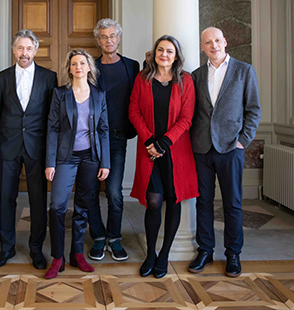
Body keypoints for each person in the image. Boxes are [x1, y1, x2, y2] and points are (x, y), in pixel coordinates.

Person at [188, 27, 261, 277]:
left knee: (233, 203)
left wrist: (243, 141)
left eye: (217, 40)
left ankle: (233, 254)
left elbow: (253, 110)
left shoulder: (244, 71)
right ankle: (206, 250)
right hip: (201, 148)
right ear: (202, 47)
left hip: (231, 148)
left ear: (225, 41)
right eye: (208, 42)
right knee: (203, 202)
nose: (214, 45)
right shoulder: (196, 76)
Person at [129, 35, 198, 278]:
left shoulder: (186, 80)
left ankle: (165, 254)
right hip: (149, 152)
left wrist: (164, 143)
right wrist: (150, 141)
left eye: (169, 51)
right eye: (160, 50)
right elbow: (134, 110)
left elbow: (187, 118)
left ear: (176, 55)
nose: (164, 54)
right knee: (154, 202)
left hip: (175, 151)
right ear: (154, 53)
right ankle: (150, 253)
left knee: (174, 199)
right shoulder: (143, 78)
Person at [0, 29, 58, 269]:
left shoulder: (49, 78)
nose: (24, 53)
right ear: (13, 50)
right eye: (20, 48)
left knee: (38, 200)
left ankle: (36, 249)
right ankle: (6, 249)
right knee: (6, 199)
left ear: (35, 50)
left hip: (37, 148)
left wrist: (52, 153)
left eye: (29, 48)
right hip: (7, 146)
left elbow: (53, 118)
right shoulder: (1, 78)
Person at [44, 49, 110, 279]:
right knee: (57, 207)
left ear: (89, 67)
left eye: (83, 63)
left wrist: (106, 162)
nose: (78, 67)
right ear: (70, 69)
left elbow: (103, 129)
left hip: (91, 157)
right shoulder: (60, 94)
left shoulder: (99, 94)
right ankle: (57, 257)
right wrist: (50, 162)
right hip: (65, 157)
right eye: (74, 64)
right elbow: (52, 128)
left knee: (83, 206)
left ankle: (77, 254)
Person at [88, 18, 140, 262]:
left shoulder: (132, 66)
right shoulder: (90, 67)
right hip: (91, 137)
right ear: (98, 41)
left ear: (118, 38)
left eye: (112, 36)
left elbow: (141, 95)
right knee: (88, 191)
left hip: (118, 137)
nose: (108, 41)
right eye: (103, 37)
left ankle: (115, 237)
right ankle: (98, 238)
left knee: (114, 191)